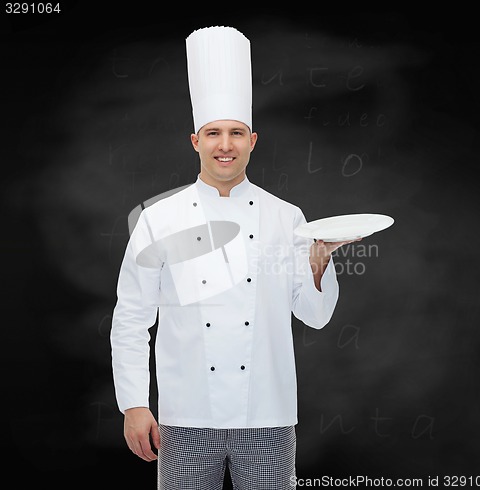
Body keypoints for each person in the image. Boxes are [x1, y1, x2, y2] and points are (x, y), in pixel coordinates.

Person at [110, 26, 358, 489]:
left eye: (236, 133)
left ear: (253, 141)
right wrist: (135, 404)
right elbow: (131, 317)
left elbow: (315, 316)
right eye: (214, 133)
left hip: (268, 414)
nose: (225, 144)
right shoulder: (158, 220)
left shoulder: (287, 218)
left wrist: (320, 263)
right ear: (195, 141)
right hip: (185, 415)